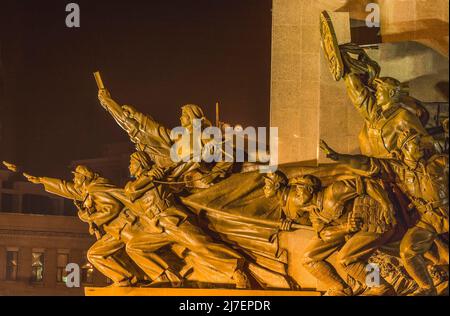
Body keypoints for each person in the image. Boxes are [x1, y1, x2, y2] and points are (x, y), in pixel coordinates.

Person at [320, 131, 449, 296]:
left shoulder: (439, 162)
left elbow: (369, 171)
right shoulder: (399, 169)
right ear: (405, 149)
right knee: (401, 251)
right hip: (421, 220)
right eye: (415, 144)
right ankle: (390, 287)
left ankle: (382, 287)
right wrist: (341, 158)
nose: (420, 147)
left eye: (419, 143)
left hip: (417, 219)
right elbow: (368, 164)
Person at [23, 165, 181, 287]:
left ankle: (166, 278)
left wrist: (89, 216)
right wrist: (41, 180)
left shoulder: (97, 189)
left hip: (126, 229)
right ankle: (126, 279)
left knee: (137, 250)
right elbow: (66, 188)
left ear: (85, 177)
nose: (75, 179)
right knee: (95, 254)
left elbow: (111, 208)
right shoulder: (87, 190)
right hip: (115, 232)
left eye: (77, 176)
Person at [123, 151, 250, 288]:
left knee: (202, 245)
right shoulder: (134, 184)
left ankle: (237, 271)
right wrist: (150, 177)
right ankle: (166, 278)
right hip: (156, 227)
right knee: (134, 247)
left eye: (132, 163)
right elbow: (131, 191)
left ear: (141, 163)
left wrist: (165, 175)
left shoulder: (161, 175)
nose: (130, 166)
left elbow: (179, 177)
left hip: (173, 219)